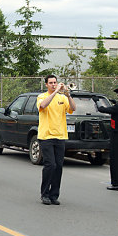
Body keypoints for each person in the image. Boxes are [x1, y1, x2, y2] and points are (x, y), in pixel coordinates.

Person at [37, 74, 76, 205]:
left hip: (60, 136)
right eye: (51, 83)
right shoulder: (42, 96)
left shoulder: (63, 98)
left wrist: (68, 95)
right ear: (46, 84)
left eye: (55, 82)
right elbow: (43, 105)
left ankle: (54, 194)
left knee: (58, 166)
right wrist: (54, 93)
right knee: (50, 165)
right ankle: (44, 194)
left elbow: (73, 108)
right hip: (46, 136)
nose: (54, 85)